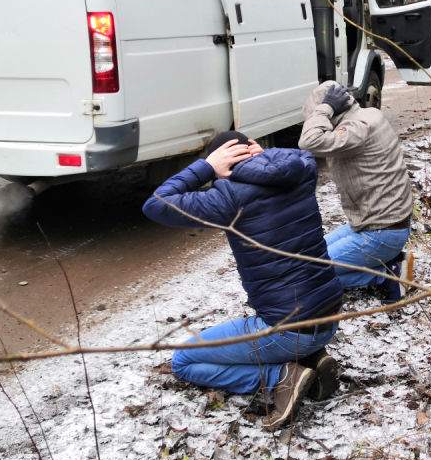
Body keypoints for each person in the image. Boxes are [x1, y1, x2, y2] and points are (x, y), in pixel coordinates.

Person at [142, 132, 344, 429]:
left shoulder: (230, 198)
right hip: (330, 315)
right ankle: (312, 359)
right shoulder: (300, 173)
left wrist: (206, 167)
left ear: (225, 165)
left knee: (184, 361)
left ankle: (282, 378)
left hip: (289, 331)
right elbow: (282, 164)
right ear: (255, 150)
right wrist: (265, 157)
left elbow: (156, 204)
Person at [299, 81, 413, 300]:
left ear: (333, 110)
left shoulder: (357, 129)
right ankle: (386, 262)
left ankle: (386, 275)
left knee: (309, 276)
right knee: (308, 259)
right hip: (373, 225)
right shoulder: (368, 115)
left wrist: (323, 108)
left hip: (382, 233)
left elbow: (309, 141)